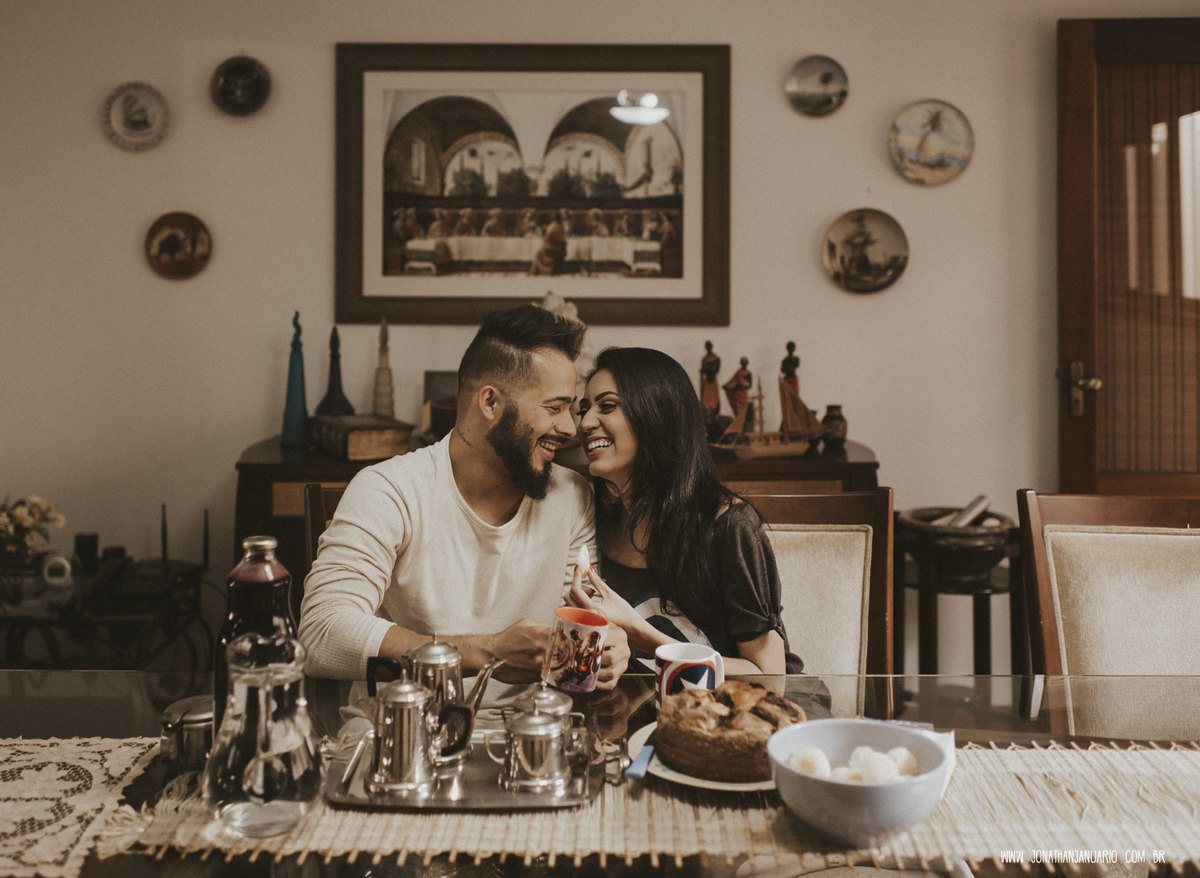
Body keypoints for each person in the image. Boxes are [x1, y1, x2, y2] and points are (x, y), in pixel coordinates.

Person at [299, 305, 630, 689]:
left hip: (537, 733)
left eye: (570, 409)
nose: (570, 428)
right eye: (554, 408)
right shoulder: (389, 491)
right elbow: (322, 633)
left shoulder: (571, 496)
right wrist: (486, 653)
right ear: (490, 403)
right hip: (406, 733)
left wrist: (606, 647)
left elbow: (574, 628)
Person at [566, 346, 802, 675]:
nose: (586, 423)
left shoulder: (730, 526)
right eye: (584, 409)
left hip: (742, 714)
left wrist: (641, 633)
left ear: (656, 416)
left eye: (607, 406)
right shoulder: (595, 520)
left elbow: (769, 678)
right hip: (645, 715)